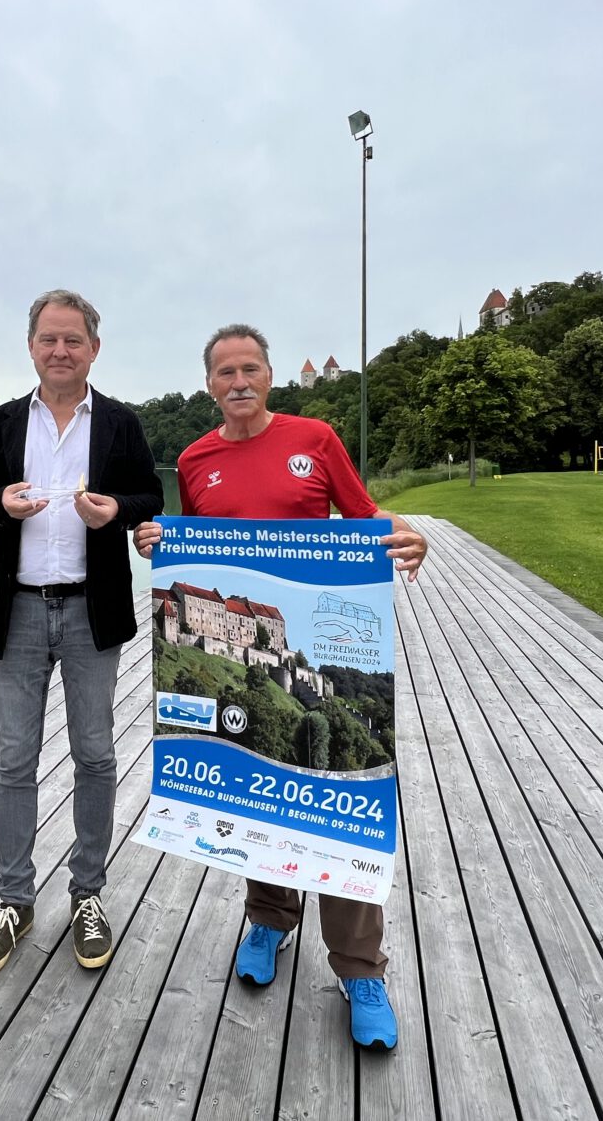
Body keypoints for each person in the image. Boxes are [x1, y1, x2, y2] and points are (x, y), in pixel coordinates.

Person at [133, 323, 425, 1051]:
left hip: (320, 627)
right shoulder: (195, 457)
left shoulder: (316, 437)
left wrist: (408, 533)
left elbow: (363, 519)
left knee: (342, 803)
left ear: (269, 377)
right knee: (252, 792)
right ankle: (268, 921)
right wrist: (156, 544)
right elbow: (200, 550)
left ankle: (361, 969)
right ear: (210, 384)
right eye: (225, 371)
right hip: (255, 627)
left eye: (250, 368)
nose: (238, 380)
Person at [0, 290, 162, 979]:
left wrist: (117, 511)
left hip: (89, 609)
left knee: (96, 754)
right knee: (14, 759)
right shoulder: (4, 423)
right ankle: (14, 901)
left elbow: (148, 498)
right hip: (16, 609)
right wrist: (2, 504)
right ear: (31, 346)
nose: (61, 351)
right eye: (49, 339)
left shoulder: (121, 424)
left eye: (73, 340)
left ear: (94, 349)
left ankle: (87, 893)